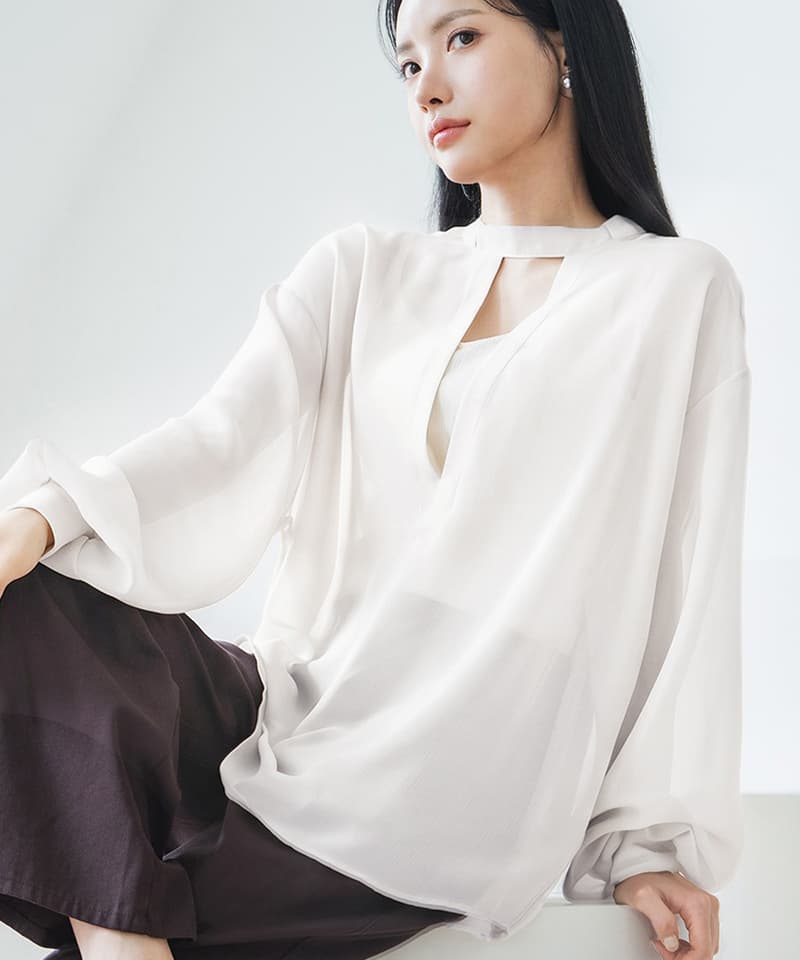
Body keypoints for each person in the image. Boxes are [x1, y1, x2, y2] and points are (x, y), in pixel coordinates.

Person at [0, 1, 750, 958]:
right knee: (33, 601)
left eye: (462, 37)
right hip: (285, 716)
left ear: (563, 45)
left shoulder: (674, 290)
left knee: (137, 860)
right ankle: (123, 936)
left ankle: (123, 917)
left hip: (450, 776)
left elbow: (686, 583)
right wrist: (38, 518)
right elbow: (218, 444)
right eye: (406, 64)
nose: (427, 86)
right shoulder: (360, 270)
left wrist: (645, 848)